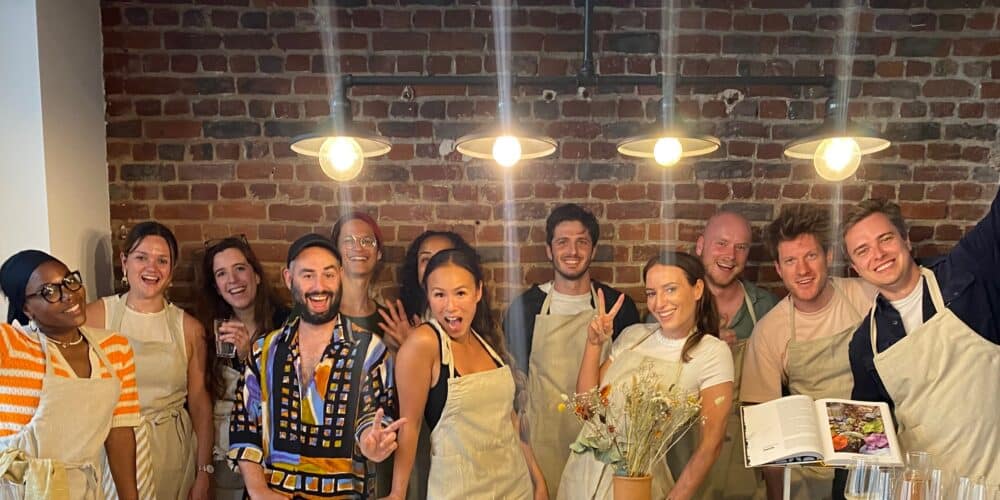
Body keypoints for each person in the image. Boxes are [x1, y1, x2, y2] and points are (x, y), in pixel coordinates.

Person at [227, 233, 403, 499]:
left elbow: (375, 417)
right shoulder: (263, 351)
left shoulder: (370, 350)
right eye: (308, 275)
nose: (319, 286)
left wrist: (372, 444)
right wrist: (258, 491)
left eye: (328, 274)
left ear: (340, 276)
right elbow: (244, 426)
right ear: (289, 278)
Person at [844, 195, 1000, 488]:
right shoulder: (865, 344)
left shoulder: (964, 275)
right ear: (856, 268)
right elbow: (869, 444)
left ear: (906, 240)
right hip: (928, 489)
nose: (878, 254)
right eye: (863, 250)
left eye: (885, 239)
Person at [558, 251, 734, 500]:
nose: (659, 303)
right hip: (581, 475)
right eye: (651, 293)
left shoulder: (711, 352)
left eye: (670, 289)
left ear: (697, 289)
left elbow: (711, 444)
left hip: (638, 483)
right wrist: (594, 344)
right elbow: (586, 410)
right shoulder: (633, 335)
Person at [385, 247, 548, 500]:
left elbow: (510, 419)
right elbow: (410, 426)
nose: (451, 306)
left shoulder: (485, 340)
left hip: (516, 488)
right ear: (428, 296)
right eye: (439, 294)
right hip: (459, 490)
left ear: (478, 292)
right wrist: (397, 493)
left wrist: (538, 480)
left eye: (460, 293)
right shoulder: (424, 343)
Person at [503, 203, 640, 498]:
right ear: (549, 250)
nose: (572, 251)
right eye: (562, 242)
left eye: (582, 242)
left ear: (593, 249)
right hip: (543, 441)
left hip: (602, 444)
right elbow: (512, 386)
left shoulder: (617, 307)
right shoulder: (525, 308)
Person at [741, 206, 876, 500]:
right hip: (814, 470)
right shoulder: (769, 332)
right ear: (779, 268)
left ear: (828, 256)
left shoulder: (867, 296)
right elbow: (765, 431)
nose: (802, 270)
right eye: (790, 261)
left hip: (874, 457)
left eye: (811, 256)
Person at [86, 222, 213, 500]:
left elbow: (199, 401)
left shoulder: (190, 328)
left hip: (171, 451)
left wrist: (204, 470)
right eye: (141, 257)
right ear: (124, 262)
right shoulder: (95, 316)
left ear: (172, 270)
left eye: (162, 260)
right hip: (110, 447)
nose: (151, 268)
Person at [0, 251, 140, 499]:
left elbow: (120, 433)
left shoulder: (115, 349)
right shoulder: (11, 345)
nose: (69, 295)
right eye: (49, 291)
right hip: (19, 491)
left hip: (82, 490)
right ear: (27, 308)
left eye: (70, 281)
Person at [377, 229, 475, 500]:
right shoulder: (402, 318)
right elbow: (389, 388)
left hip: (464, 445)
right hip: (416, 439)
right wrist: (408, 350)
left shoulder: (472, 320)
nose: (435, 264)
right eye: (425, 259)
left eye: (443, 255)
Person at [198, 236, 291, 500]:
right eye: (221, 274)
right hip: (224, 455)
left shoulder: (286, 325)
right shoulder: (210, 329)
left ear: (256, 275)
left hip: (274, 458)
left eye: (240, 268)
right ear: (216, 287)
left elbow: (292, 394)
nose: (233, 280)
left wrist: (249, 357)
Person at [693, 210, 777, 499]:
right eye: (722, 243)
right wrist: (702, 346)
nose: (730, 255)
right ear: (700, 245)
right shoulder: (674, 303)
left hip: (749, 454)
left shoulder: (765, 306)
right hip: (689, 450)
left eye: (741, 247)